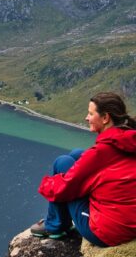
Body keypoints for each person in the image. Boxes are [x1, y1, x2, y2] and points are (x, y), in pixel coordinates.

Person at [31, 92, 136, 246]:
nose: (86, 118)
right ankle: (57, 222)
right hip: (129, 222)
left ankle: (55, 226)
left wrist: (47, 184)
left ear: (105, 118)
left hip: (107, 233)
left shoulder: (101, 153)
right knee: (77, 154)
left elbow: (64, 188)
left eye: (91, 113)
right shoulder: (128, 141)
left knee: (62, 162)